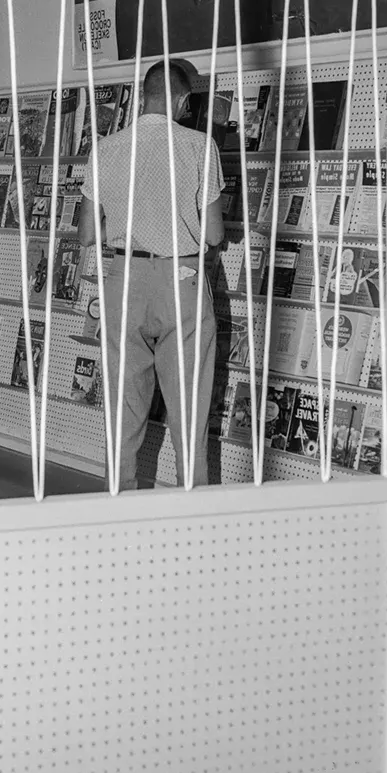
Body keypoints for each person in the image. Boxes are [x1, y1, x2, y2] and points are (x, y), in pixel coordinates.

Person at [78, 59, 224, 489]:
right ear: (181, 100)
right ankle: (193, 519)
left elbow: (87, 234)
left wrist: (129, 221)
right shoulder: (200, 146)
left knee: (122, 413)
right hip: (181, 281)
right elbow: (213, 234)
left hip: (125, 280)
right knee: (189, 414)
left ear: (144, 96)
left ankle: (118, 507)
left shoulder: (106, 148)